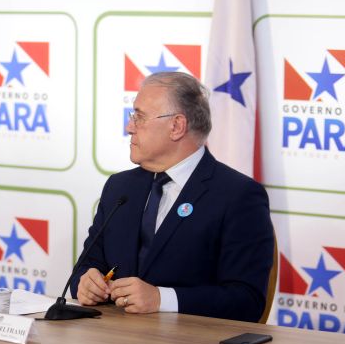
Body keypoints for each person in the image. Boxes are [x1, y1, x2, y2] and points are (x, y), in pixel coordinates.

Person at [72, 72, 273, 322]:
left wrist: (161, 299)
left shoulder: (238, 196)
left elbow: (246, 300)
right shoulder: (120, 187)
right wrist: (85, 282)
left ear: (177, 126)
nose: (129, 126)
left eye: (139, 117)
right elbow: (87, 266)